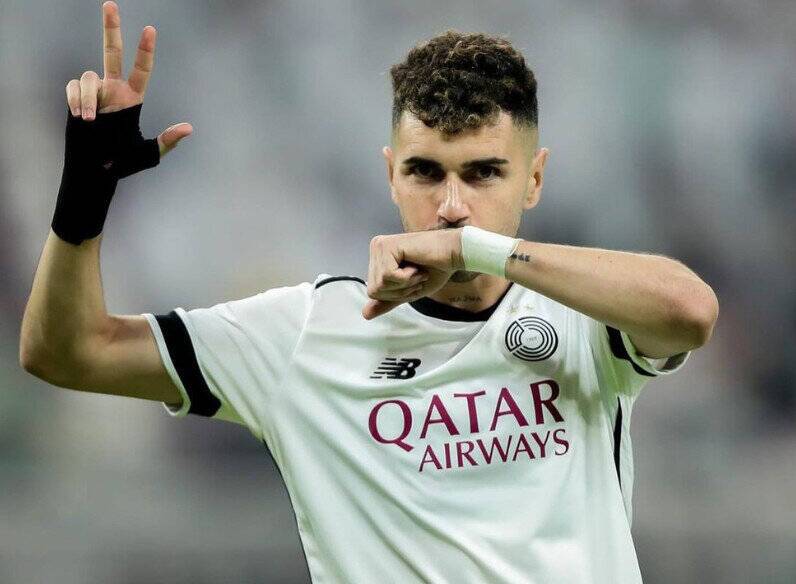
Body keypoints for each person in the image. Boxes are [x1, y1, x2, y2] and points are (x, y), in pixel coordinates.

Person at [19, 2, 719, 582]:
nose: (451, 206)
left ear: (533, 180)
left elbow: (691, 312)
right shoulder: (306, 334)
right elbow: (67, 352)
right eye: (425, 172)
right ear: (390, 175)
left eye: (483, 173)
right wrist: (84, 197)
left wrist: (474, 250)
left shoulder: (580, 314)